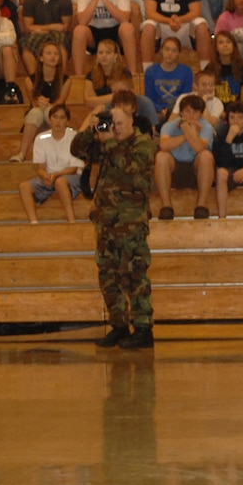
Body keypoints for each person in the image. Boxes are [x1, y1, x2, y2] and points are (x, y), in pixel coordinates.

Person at [71, 91, 156, 348]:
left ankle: (143, 328)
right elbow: (77, 148)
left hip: (130, 223)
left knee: (134, 276)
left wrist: (108, 141)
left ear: (132, 122)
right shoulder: (106, 140)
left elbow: (127, 168)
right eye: (112, 123)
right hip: (106, 223)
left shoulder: (142, 144)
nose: (115, 128)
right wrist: (92, 125)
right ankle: (119, 325)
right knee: (109, 276)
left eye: (119, 124)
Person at [18, 102, 83, 223]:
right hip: (50, 176)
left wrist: (55, 175)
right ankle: (34, 222)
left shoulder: (75, 137)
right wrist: (45, 176)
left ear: (67, 121)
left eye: (62, 118)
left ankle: (72, 221)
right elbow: (40, 168)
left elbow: (74, 168)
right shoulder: (40, 138)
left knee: (60, 182)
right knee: (24, 186)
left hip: (72, 177)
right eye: (55, 117)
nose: (58, 121)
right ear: (50, 119)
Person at [154, 93, 216, 219]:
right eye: (187, 111)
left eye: (195, 111)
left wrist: (188, 131)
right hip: (174, 166)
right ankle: (166, 206)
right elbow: (164, 145)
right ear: (181, 113)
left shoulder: (206, 127)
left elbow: (199, 147)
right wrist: (187, 134)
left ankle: (202, 205)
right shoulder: (169, 125)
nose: (191, 115)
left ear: (201, 113)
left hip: (196, 167)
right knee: (161, 157)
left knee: (206, 156)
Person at [72, 0, 137, 74]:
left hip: (115, 31)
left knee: (127, 28)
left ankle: (133, 73)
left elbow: (124, 19)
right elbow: (82, 21)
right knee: (79, 31)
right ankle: (79, 76)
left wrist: (105, 0)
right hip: (94, 33)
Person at [14, 40, 70, 160]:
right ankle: (22, 154)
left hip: (56, 117)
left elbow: (60, 103)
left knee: (49, 111)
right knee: (35, 112)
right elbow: (34, 103)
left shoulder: (66, 79)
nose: (53, 56)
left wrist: (47, 106)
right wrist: (42, 106)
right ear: (41, 58)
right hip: (37, 120)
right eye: (49, 53)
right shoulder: (30, 80)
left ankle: (60, 151)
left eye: (56, 54)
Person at [18, 0, 73, 64]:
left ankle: (60, 77)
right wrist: (52, 27)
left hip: (57, 34)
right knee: (25, 45)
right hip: (37, 33)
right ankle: (34, 78)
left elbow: (65, 27)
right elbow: (28, 27)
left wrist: (44, 28)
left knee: (62, 43)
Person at [143, 36, 193, 119]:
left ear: (179, 53)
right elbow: (149, 98)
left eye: (174, 50)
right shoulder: (151, 71)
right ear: (161, 50)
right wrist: (161, 109)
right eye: (167, 49)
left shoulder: (186, 71)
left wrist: (174, 111)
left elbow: (185, 97)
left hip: (178, 111)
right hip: (157, 112)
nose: (170, 53)